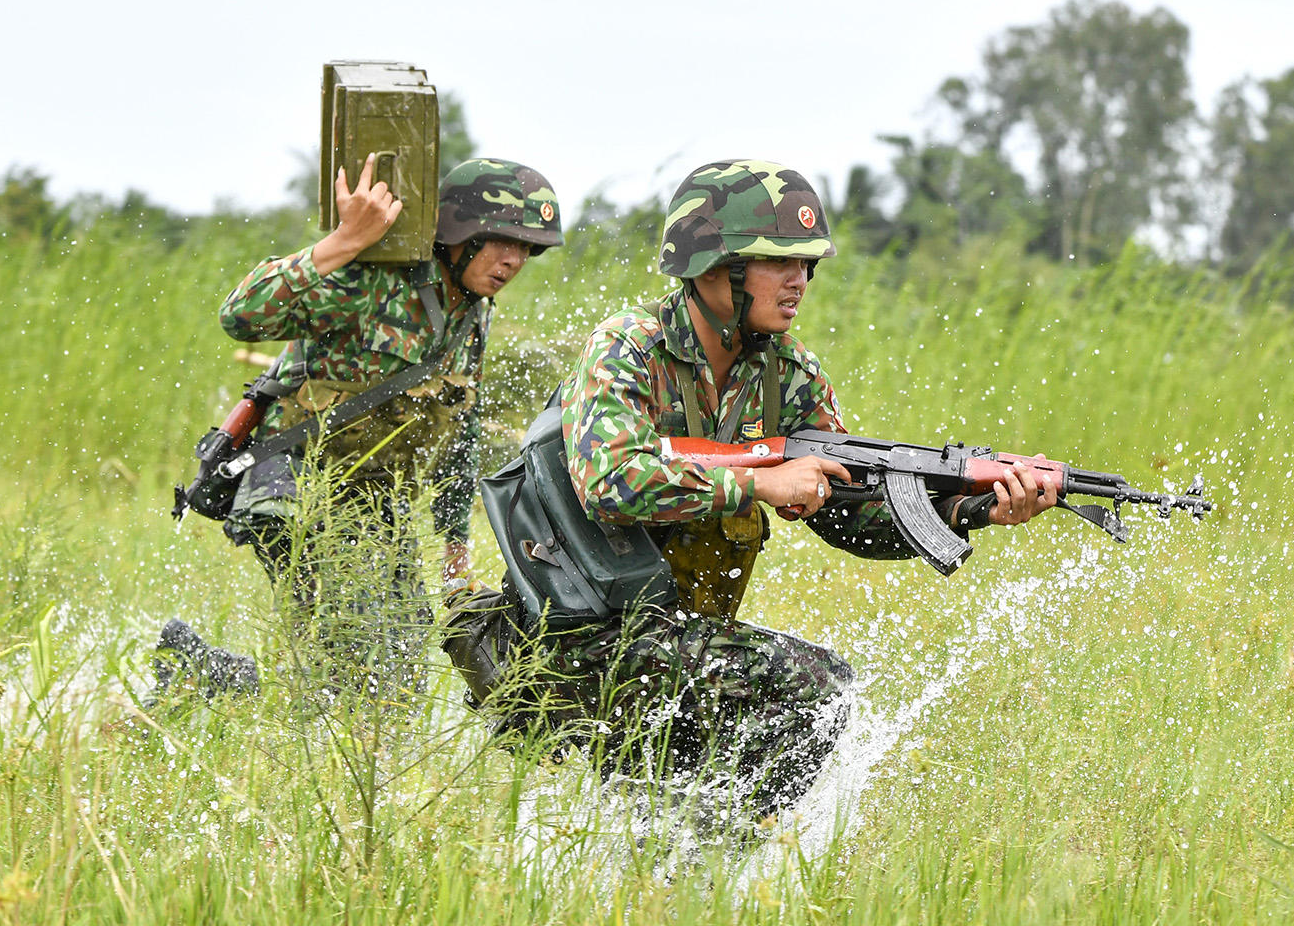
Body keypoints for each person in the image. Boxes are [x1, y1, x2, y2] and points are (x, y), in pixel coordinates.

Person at [519, 158, 1056, 818]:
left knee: (667, 798)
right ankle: (711, 864)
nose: (800, 279)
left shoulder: (790, 375)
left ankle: (684, 877)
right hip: (586, 639)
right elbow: (613, 482)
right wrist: (757, 484)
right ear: (717, 266)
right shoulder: (631, 348)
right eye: (780, 261)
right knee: (818, 689)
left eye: (808, 263)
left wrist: (965, 508)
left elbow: (851, 516)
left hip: (683, 644)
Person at [153, 156, 563, 699]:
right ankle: (250, 707)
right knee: (362, 663)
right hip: (299, 483)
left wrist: (455, 542)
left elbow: (459, 431)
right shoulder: (374, 280)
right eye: (499, 242)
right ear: (459, 233)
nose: (512, 260)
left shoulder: (472, 313)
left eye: (526, 249)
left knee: (400, 667)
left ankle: (207, 677)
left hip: (372, 501)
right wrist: (343, 241)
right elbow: (240, 315)